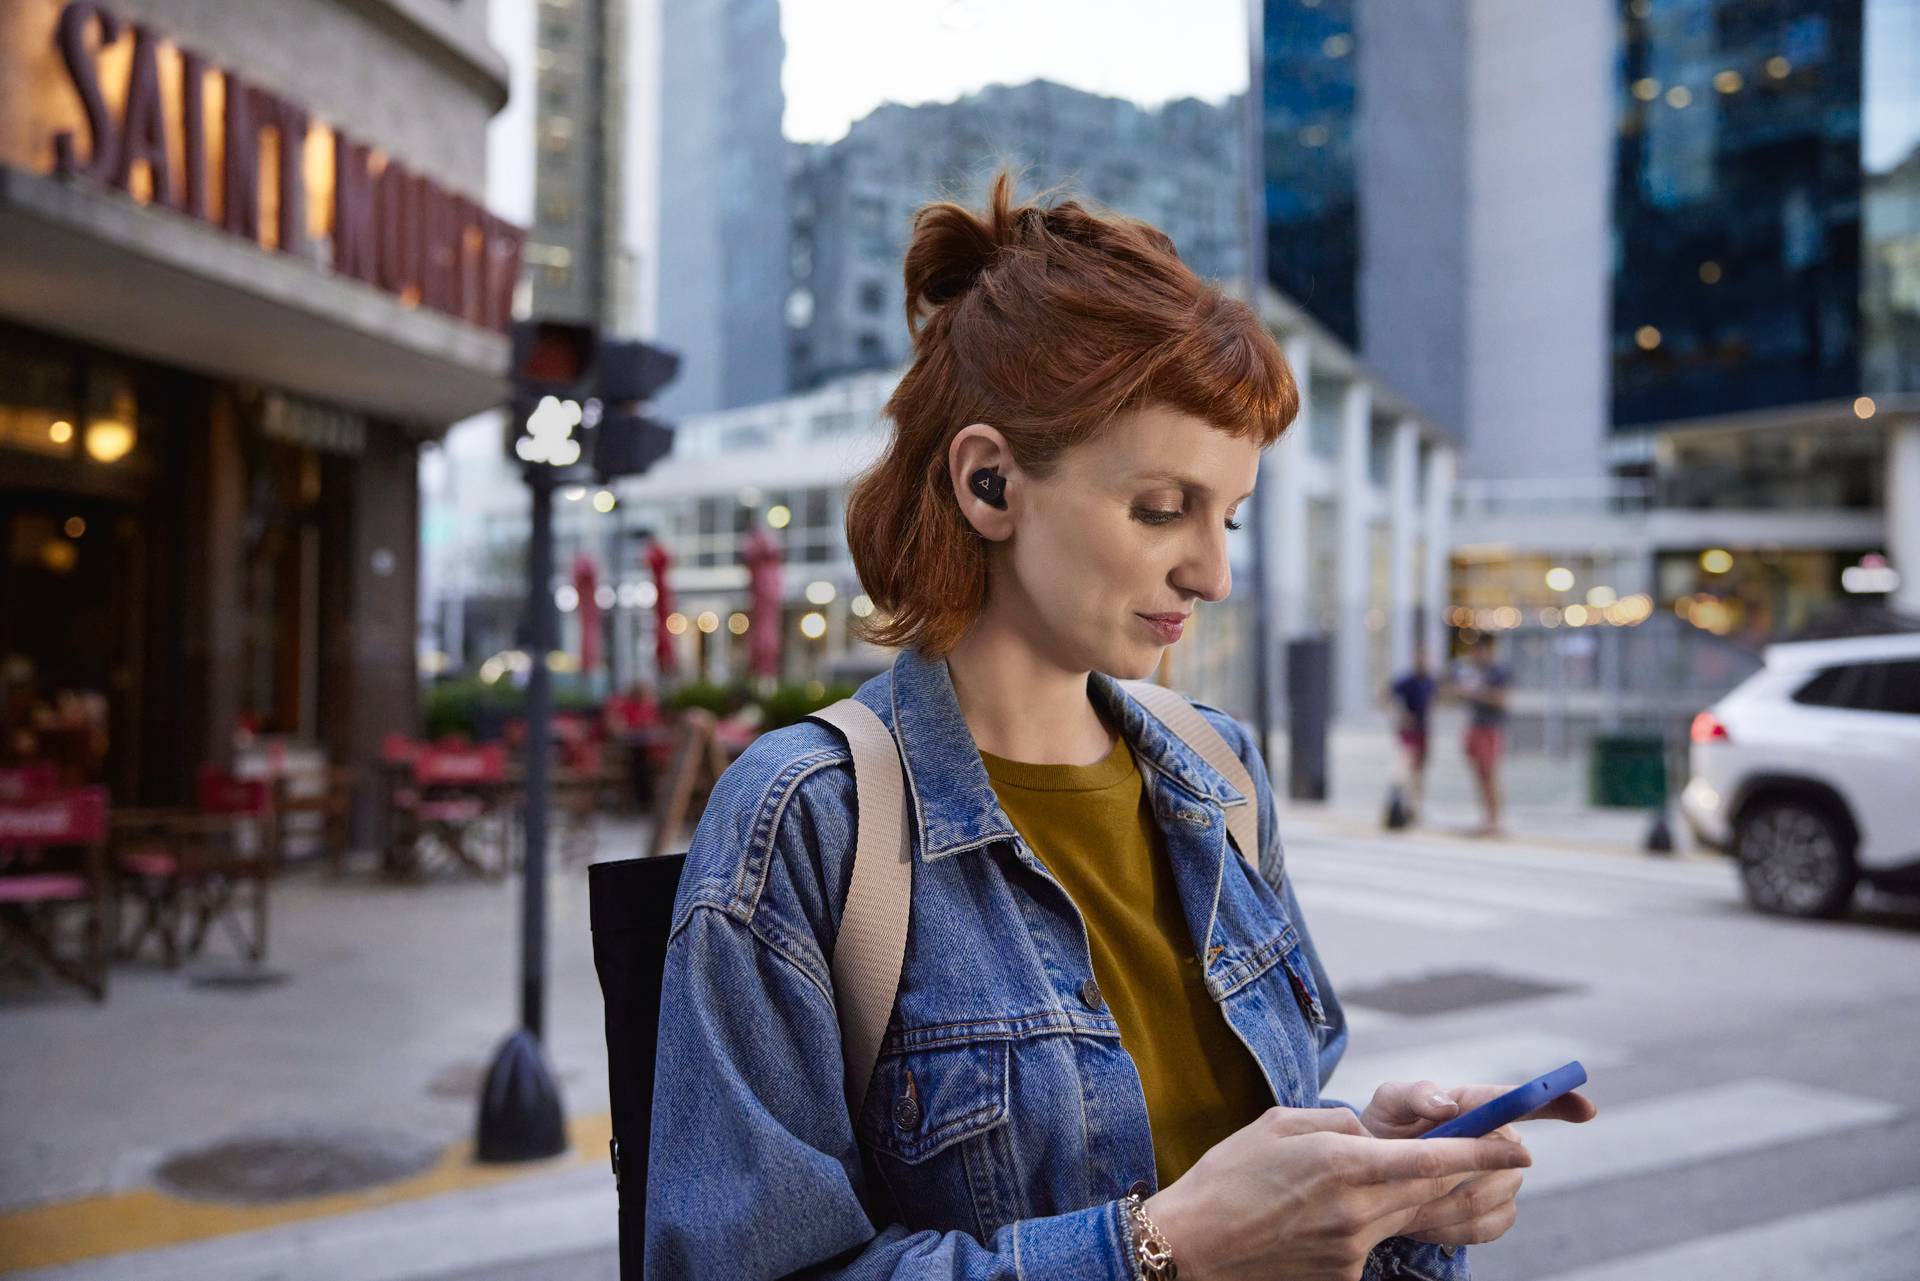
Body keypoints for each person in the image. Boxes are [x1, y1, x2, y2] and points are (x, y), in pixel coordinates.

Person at [646, 175, 1591, 1279]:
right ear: (990, 482)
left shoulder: (1218, 768)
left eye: (1228, 516)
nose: (1214, 571)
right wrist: (1156, 1251)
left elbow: (1248, 1158)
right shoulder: (810, 822)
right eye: (1162, 509)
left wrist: (1374, 1176)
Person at [1453, 634, 1511, 838]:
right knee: (1479, 775)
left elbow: (1502, 699)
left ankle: (1495, 820)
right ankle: (1486, 818)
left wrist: (1474, 694)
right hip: (1474, 725)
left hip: (1490, 727)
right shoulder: (1471, 670)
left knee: (1490, 774)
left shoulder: (1497, 671)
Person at [1384, 644, 1438, 824]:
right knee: (1404, 767)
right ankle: (1399, 804)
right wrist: (1400, 716)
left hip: (1423, 731)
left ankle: (1414, 808)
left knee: (1419, 772)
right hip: (1408, 732)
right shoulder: (1406, 681)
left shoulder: (1430, 681)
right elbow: (1387, 697)